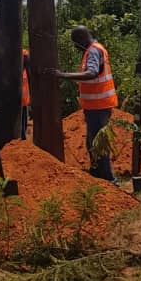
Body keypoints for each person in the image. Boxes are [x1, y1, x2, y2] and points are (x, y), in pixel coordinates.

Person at [48, 26, 117, 183]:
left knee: (99, 144)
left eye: (75, 42)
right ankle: (97, 175)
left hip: (99, 106)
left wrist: (63, 75)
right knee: (92, 142)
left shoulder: (93, 51)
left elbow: (91, 73)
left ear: (81, 39)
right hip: (96, 105)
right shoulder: (95, 49)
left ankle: (108, 179)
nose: (74, 46)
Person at [21, 47, 31, 140]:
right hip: (16, 103)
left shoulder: (25, 73)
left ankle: (23, 138)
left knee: (23, 120)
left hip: (24, 102)